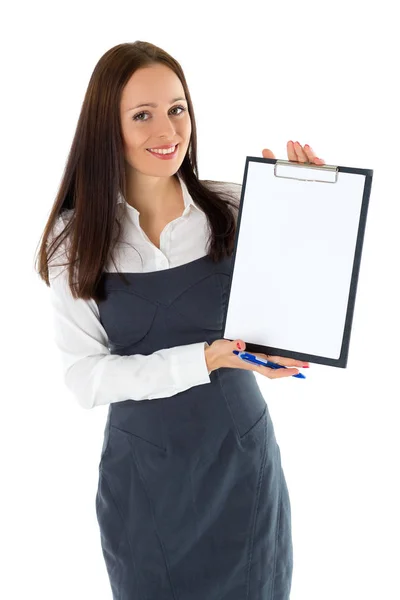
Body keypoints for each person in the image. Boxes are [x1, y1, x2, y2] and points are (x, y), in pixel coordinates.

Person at [35, 41, 324, 600]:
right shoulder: (73, 242)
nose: (167, 129)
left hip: (241, 466)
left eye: (177, 107)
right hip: (145, 483)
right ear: (106, 128)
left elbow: (300, 315)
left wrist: (310, 206)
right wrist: (205, 358)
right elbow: (86, 378)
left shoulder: (237, 208)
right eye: (141, 115)